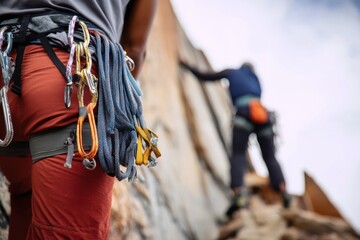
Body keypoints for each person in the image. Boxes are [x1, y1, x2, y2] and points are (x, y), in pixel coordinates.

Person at [0, 0, 158, 239]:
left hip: (4, 79)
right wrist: (112, 109)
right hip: (69, 83)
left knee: (27, 198)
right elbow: (134, 48)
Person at [181, 61, 291, 219]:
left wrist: (189, 67)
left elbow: (207, 76)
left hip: (243, 114)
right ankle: (283, 190)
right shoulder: (256, 79)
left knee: (239, 154)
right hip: (263, 116)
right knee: (270, 157)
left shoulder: (232, 72)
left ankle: (238, 192)